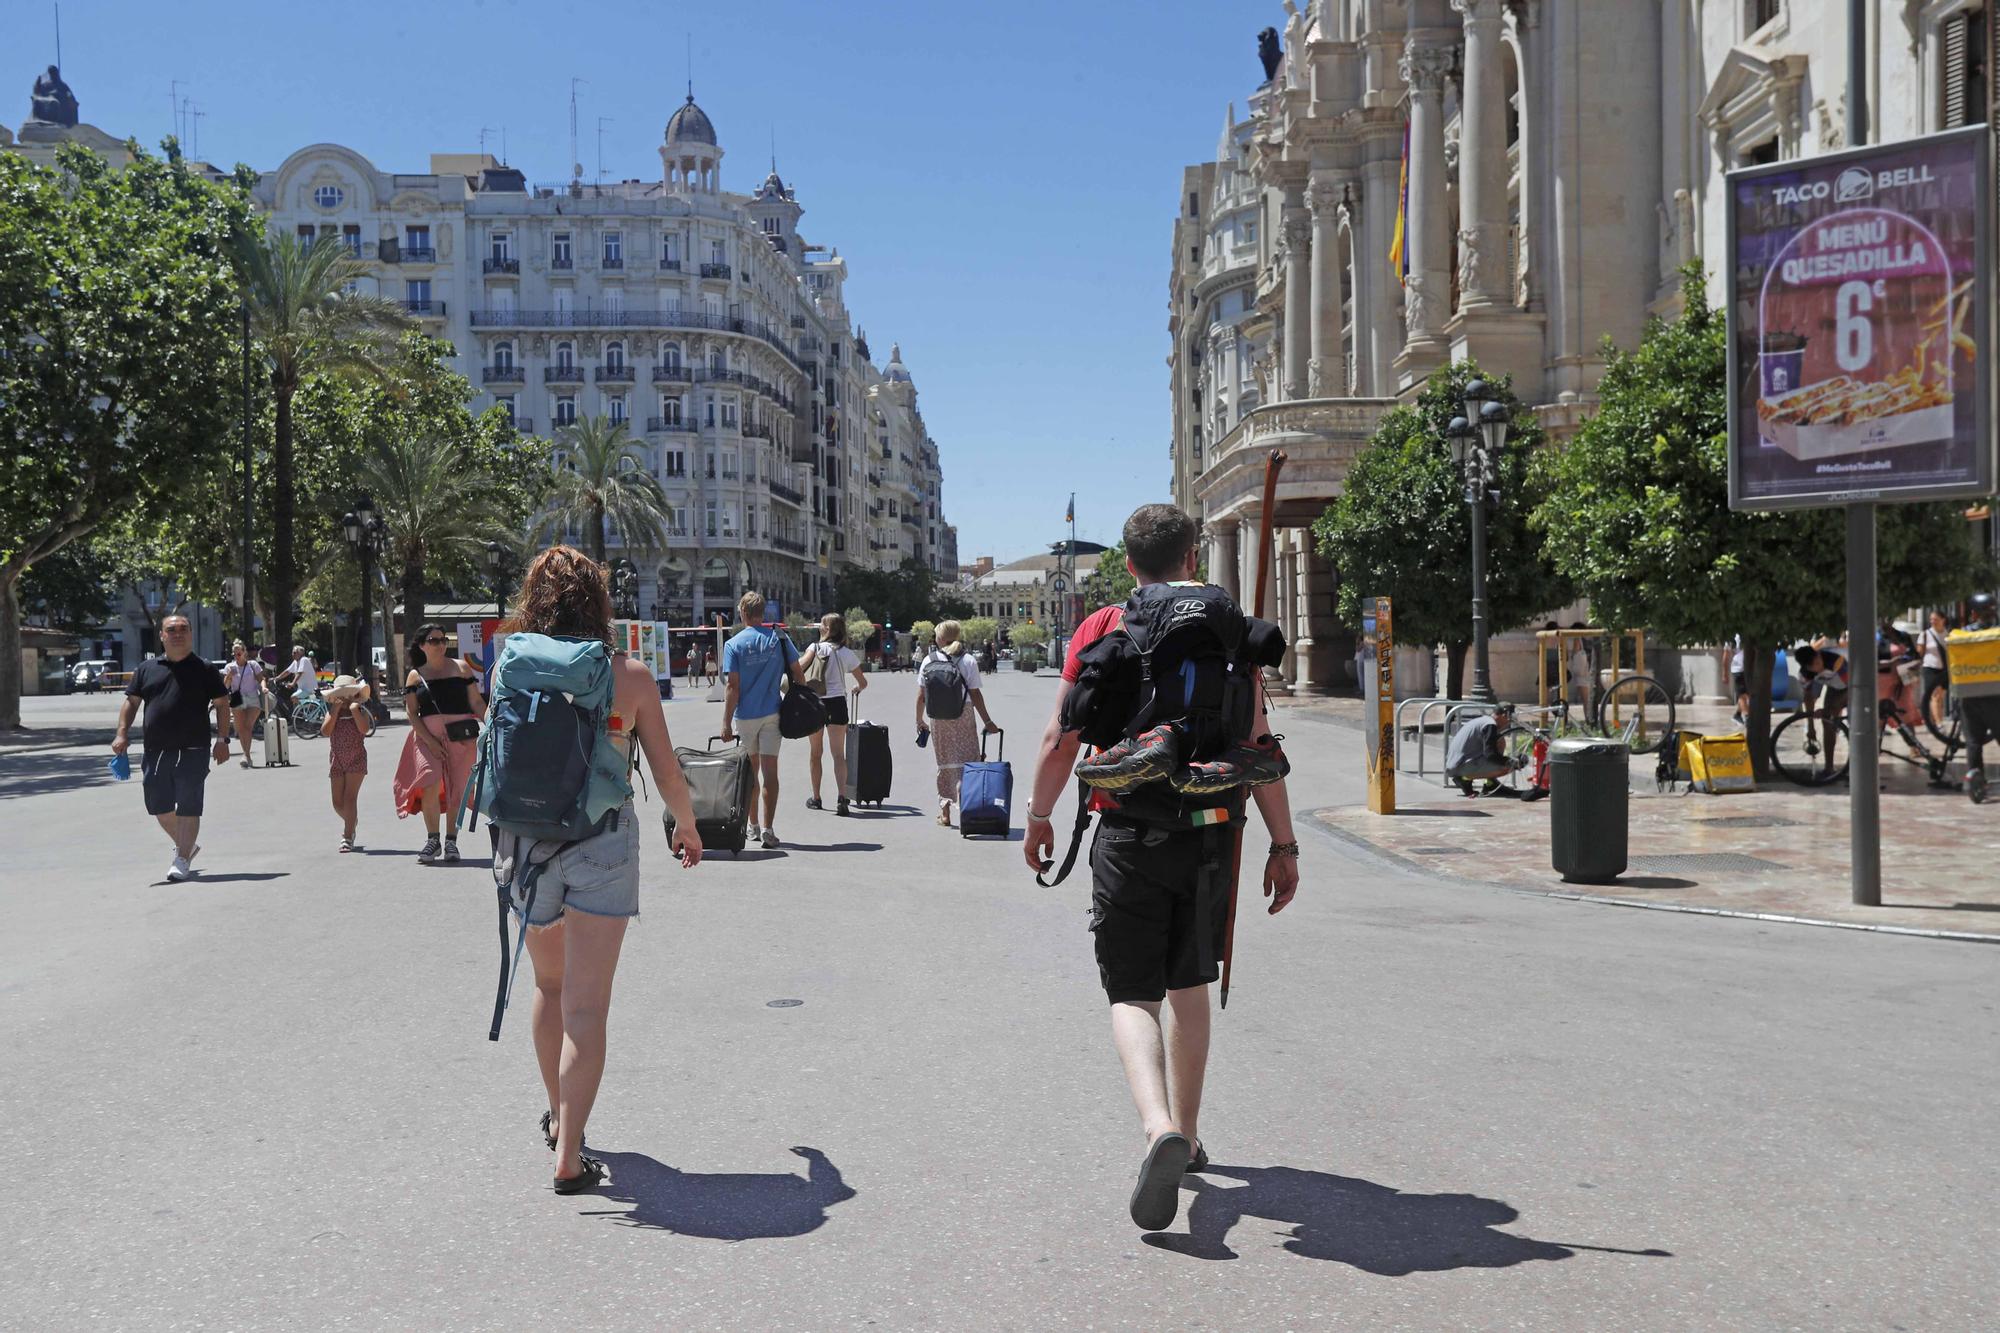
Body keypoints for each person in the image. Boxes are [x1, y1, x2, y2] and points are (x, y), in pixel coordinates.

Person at [1023, 503, 1300, 1233]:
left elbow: (1063, 732)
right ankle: (1190, 1127)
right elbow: (1258, 741)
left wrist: (1040, 814)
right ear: (1190, 558)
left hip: (1127, 832)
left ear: (1128, 562)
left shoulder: (1101, 628)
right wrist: (1284, 844)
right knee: (1189, 984)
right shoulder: (1224, 630)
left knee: (1130, 993)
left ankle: (1158, 1129)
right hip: (1214, 831)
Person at [507, 546, 703, 1193]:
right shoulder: (631, 676)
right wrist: (688, 824)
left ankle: (564, 1123)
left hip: (527, 843)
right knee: (588, 1006)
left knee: (549, 988)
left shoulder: (513, 666)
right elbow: (668, 770)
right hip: (602, 841)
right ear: (599, 603)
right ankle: (568, 1150)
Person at [111, 614, 232, 882]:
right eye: (171, 630)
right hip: (156, 749)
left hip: (194, 748)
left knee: (189, 805)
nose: (178, 634)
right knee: (158, 805)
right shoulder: (146, 669)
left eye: (183, 629)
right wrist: (121, 734)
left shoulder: (205, 668)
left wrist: (222, 740)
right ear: (162, 636)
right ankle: (187, 845)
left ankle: (181, 858)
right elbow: (131, 703)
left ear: (191, 634)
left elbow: (223, 705)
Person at [394, 622, 486, 864]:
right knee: (430, 781)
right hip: (426, 737)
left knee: (457, 788)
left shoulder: (462, 668)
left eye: (443, 640)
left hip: (461, 737)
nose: (441, 644)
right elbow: (412, 713)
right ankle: (432, 840)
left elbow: (476, 702)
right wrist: (431, 742)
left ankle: (451, 842)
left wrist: (491, 721)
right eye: (434, 640)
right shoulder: (415, 675)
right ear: (422, 645)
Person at [719, 591, 804, 849]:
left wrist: (725, 722)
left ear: (743, 613)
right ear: (763, 613)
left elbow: (732, 686)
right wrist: (799, 701)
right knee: (771, 773)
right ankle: (768, 829)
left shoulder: (733, 644)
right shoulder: (779, 638)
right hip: (772, 714)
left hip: (745, 717)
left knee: (749, 774)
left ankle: (752, 826)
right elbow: (798, 672)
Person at [917, 620, 1000, 827]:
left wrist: (919, 720)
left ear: (941, 638)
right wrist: (987, 721)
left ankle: (945, 813)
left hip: (938, 718)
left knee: (944, 763)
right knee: (968, 762)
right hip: (964, 715)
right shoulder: (968, 660)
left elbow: (921, 696)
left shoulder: (929, 660)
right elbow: (975, 694)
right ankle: (967, 808)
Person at [802, 612, 867, 816]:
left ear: (827, 629)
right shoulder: (846, 653)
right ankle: (842, 798)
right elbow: (863, 682)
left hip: (815, 703)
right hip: (838, 704)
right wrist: (856, 688)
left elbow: (800, 666)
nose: (819, 627)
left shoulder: (815, 647)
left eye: (822, 624)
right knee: (839, 754)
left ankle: (816, 797)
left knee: (815, 753)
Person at [321, 673, 373, 852]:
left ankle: (347, 835)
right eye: (341, 694)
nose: (344, 698)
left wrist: (354, 709)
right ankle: (352, 820)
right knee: (337, 802)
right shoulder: (332, 712)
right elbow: (326, 731)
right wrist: (334, 711)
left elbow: (364, 729)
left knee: (350, 799)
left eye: (348, 693)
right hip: (337, 759)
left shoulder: (360, 711)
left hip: (356, 759)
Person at [1793, 643, 1849, 775]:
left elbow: (1851, 686)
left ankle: (1860, 767)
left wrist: (1828, 710)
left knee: (1853, 722)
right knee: (1827, 722)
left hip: (1855, 683)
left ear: (1819, 655)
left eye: (1818, 662)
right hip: (1835, 687)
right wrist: (1810, 728)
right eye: (1814, 667)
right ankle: (1829, 768)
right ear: (1806, 667)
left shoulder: (1836, 661)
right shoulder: (1805, 674)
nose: (1819, 667)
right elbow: (1809, 698)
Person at [1445, 701, 1520, 796]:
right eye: (1510, 719)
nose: (1509, 722)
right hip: (1459, 767)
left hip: (1456, 763)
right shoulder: (1490, 725)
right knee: (1508, 766)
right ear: (1504, 715)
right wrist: (1512, 762)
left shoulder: (1484, 720)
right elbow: (1490, 754)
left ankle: (1490, 783)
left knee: (1500, 740)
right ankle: (1465, 778)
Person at [220, 640, 265, 768]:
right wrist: (229, 675)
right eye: (234, 655)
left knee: (247, 726)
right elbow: (225, 686)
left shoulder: (253, 665)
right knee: (240, 728)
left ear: (244, 652)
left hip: (252, 696)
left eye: (238, 654)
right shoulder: (230, 667)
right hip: (236, 697)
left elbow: (261, 679)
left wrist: (264, 688)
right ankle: (247, 755)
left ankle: (246, 755)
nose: (236, 657)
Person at [1921, 611, 1952, 732]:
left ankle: (1933, 721)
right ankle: (1939, 724)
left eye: (1935, 619)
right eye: (1931, 619)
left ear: (1943, 620)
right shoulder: (1925, 634)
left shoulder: (1948, 635)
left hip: (1944, 669)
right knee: (1935, 696)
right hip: (1930, 667)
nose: (1932, 621)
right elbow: (1920, 652)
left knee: (1940, 697)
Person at [276, 643, 318, 713]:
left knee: (293, 697)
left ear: (300, 653)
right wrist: (276, 678)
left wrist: (293, 683)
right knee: (294, 698)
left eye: (294, 653)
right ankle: (302, 712)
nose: (292, 654)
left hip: (309, 689)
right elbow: (287, 671)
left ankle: (305, 711)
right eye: (292, 652)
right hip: (302, 689)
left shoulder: (304, 660)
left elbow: (299, 673)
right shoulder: (296, 662)